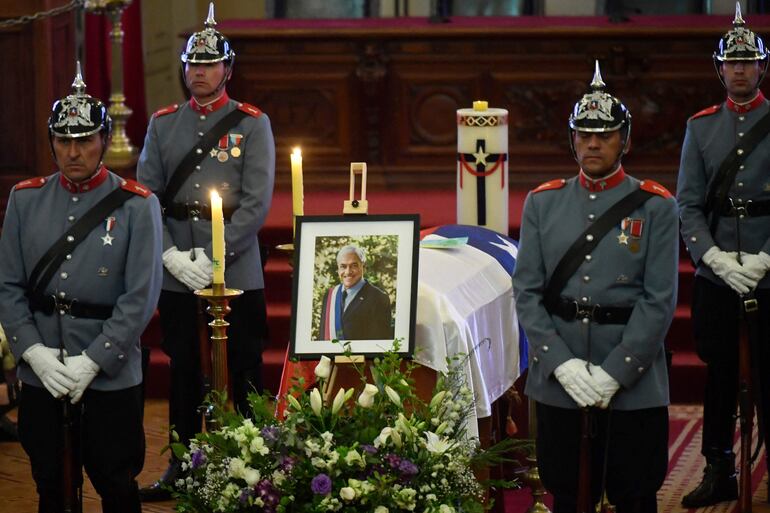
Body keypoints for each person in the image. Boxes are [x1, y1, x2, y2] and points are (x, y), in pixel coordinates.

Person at [512, 62, 679, 513]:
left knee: (635, 492)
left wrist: (616, 372)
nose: (592, 142)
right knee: (566, 492)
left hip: (633, 377)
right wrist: (561, 365)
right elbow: (526, 292)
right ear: (572, 139)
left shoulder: (657, 207)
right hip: (560, 374)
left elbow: (660, 300)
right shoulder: (542, 202)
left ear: (623, 140)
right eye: (584, 133)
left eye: (604, 134)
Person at [0, 64, 163, 513]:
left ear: (103, 141)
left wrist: (95, 359)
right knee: (48, 482)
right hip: (43, 368)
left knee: (115, 481)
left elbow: (141, 297)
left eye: (85, 140)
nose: (74, 152)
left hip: (109, 369)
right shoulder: (25, 198)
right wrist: (32, 352)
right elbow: (8, 285)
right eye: (64, 141)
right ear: (52, 142)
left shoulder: (137, 205)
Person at [136, 2, 275, 501]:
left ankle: (258, 457)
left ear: (227, 69)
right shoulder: (163, 122)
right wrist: (171, 256)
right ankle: (182, 461)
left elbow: (256, 202)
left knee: (245, 364)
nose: (199, 72)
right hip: (177, 267)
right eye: (193, 64)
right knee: (183, 370)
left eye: (209, 64)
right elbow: (147, 196)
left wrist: (217, 257)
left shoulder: (251, 124)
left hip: (236, 265)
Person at [677, 4, 770, 508]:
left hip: (768, 271)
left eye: (748, 62)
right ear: (719, 69)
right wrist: (712, 257)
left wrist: (764, 259)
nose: (739, 69)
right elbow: (687, 203)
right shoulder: (701, 126)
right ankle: (719, 468)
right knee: (717, 374)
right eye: (731, 62)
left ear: (762, 67)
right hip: (717, 274)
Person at [318, 245, 393, 341]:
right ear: (338, 269)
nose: (348, 271)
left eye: (354, 266)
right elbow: (322, 336)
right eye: (343, 266)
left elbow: (379, 343)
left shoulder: (378, 298)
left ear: (364, 267)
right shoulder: (330, 295)